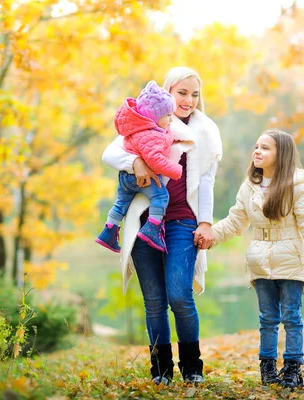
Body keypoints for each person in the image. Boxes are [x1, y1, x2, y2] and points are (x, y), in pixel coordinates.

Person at [101, 66, 222, 386]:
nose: (189, 100)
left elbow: (207, 182)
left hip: (183, 220)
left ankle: (192, 366)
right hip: (144, 223)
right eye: (182, 93)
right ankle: (161, 371)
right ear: (167, 92)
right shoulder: (144, 121)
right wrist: (135, 162)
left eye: (194, 94)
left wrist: (206, 222)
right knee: (153, 300)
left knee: (180, 294)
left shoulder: (205, 131)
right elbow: (110, 154)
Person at [204, 129, 304, 389]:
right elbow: (235, 221)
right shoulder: (249, 187)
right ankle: (267, 367)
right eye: (257, 146)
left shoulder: (297, 186)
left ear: (281, 154)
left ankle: (293, 368)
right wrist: (210, 237)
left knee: (291, 317)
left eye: (265, 148)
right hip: (260, 260)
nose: (257, 152)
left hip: (291, 259)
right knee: (267, 318)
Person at [96, 81, 182, 253]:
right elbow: (155, 160)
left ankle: (109, 230)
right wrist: (176, 170)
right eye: (167, 115)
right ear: (154, 117)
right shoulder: (152, 135)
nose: (171, 119)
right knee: (161, 197)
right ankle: (152, 228)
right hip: (141, 178)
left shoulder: (137, 128)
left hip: (124, 178)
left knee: (121, 203)